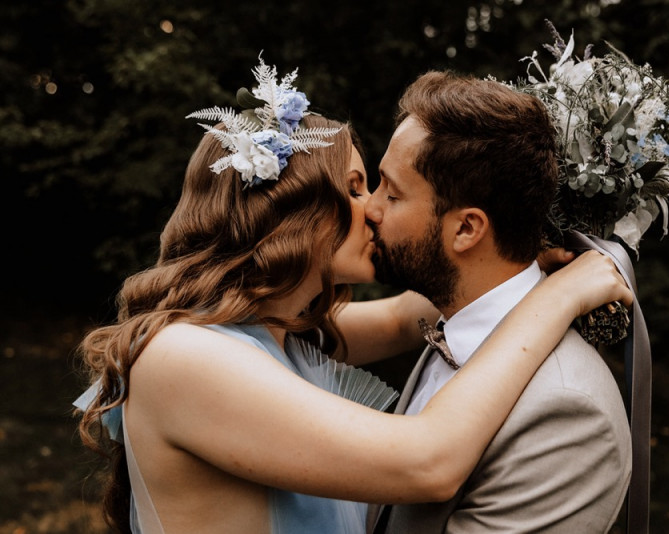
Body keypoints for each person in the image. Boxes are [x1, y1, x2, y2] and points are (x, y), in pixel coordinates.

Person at [74, 58, 632, 534]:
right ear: (296, 215)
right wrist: (558, 297)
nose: (372, 208)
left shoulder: (271, 330)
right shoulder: (187, 358)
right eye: (358, 187)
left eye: (383, 189)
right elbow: (427, 461)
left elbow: (403, 318)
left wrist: (517, 259)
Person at [364, 70, 634, 533]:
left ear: (466, 229)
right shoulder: (456, 317)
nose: (370, 208)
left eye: (391, 192)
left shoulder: (568, 415)